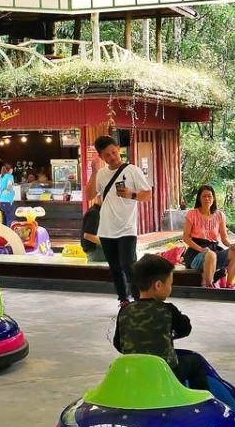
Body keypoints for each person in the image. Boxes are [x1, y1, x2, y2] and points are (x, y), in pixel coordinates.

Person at [113, 254, 208, 391]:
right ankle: (201, 403)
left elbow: (119, 344)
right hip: (165, 374)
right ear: (158, 285)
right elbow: (185, 329)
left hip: (133, 373)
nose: (171, 287)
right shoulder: (168, 309)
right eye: (170, 283)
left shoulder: (125, 310)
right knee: (195, 362)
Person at [84, 135, 152, 305]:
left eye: (114, 152)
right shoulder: (101, 173)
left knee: (129, 265)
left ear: (118, 149)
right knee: (114, 267)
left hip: (127, 228)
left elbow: (148, 194)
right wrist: (93, 172)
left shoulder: (132, 170)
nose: (113, 157)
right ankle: (123, 300)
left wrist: (132, 194)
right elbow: (90, 195)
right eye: (107, 155)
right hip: (106, 229)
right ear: (101, 157)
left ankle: (140, 300)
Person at [182, 184, 235, 288]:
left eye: (209, 196)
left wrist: (230, 245)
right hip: (196, 253)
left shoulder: (219, 215)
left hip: (213, 250)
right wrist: (201, 249)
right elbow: (186, 238)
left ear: (213, 198)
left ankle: (229, 285)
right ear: (199, 199)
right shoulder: (191, 214)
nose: (207, 199)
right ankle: (209, 286)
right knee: (210, 254)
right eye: (204, 196)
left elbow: (224, 238)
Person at [80, 198, 106, 262]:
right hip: (95, 251)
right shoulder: (94, 213)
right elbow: (87, 235)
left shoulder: (99, 211)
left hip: (97, 250)